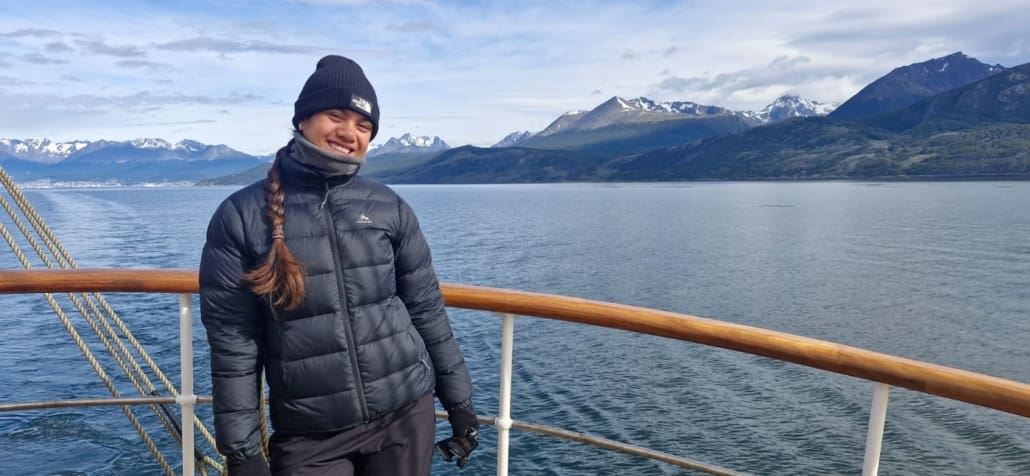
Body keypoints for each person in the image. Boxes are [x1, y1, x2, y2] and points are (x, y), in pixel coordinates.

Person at [199, 55, 478, 476]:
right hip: (310, 434)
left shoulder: (389, 207)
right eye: (335, 116)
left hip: (405, 414)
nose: (349, 133)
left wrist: (459, 402)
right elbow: (235, 342)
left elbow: (426, 310)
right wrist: (243, 453)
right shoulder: (241, 216)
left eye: (363, 125)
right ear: (302, 120)